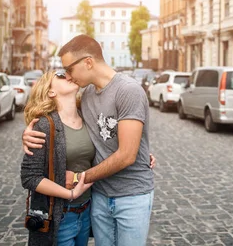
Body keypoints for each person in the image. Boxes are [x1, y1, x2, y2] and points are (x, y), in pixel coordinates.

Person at [23, 35, 154, 246]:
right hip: (99, 196)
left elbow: (127, 154)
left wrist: (78, 177)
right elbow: (71, 129)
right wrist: (28, 136)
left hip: (132, 195)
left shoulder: (128, 90)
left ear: (88, 62)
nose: (68, 75)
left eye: (69, 69)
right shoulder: (86, 96)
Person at [21, 69, 95, 246]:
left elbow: (109, 143)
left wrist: (138, 155)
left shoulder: (88, 117)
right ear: (50, 91)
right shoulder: (44, 125)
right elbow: (29, 177)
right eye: (61, 75)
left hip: (86, 212)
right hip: (61, 216)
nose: (69, 75)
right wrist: (69, 193)